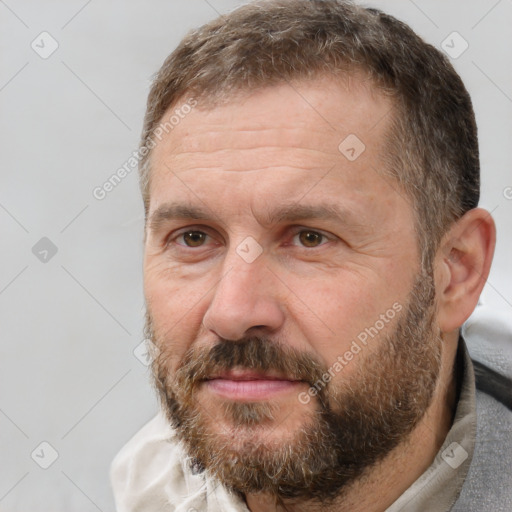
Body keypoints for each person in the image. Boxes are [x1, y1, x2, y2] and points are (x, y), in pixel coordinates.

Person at [110, 1, 512, 510]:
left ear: (456, 272)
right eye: (194, 238)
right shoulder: (148, 488)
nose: (233, 313)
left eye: (309, 238)